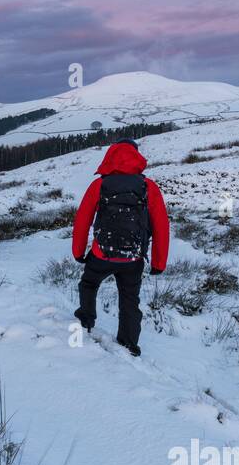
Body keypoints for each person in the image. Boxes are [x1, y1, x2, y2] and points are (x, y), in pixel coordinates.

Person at [71, 139, 170, 357]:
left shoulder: (100, 185)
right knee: (129, 299)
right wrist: (158, 263)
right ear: (136, 157)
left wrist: (78, 252)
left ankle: (85, 321)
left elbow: (82, 220)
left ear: (111, 156)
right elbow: (162, 226)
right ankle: (129, 344)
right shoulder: (149, 187)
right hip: (133, 258)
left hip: (100, 254)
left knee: (88, 283)